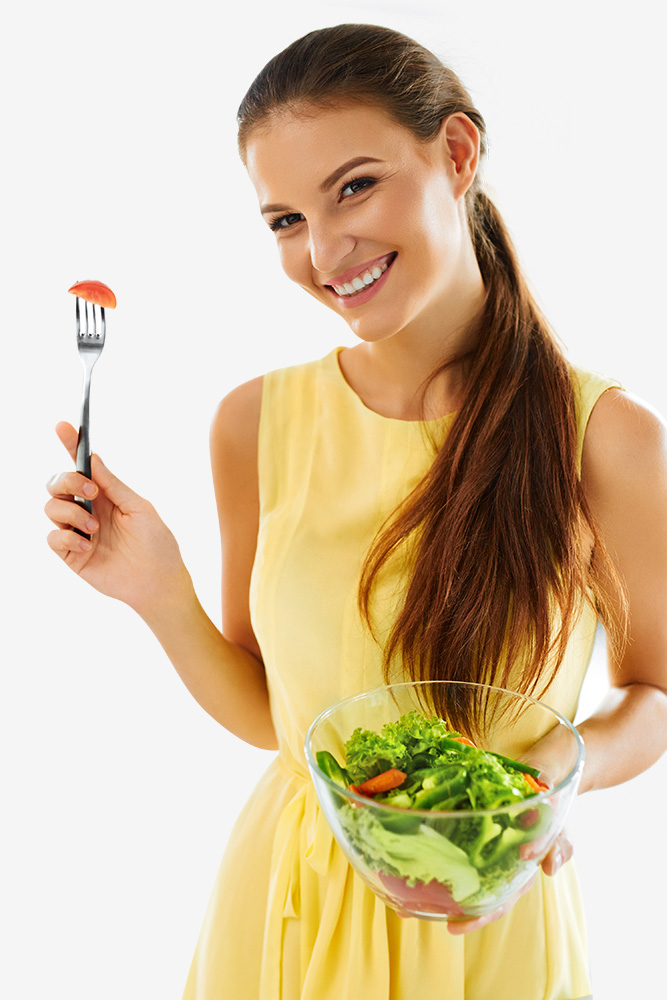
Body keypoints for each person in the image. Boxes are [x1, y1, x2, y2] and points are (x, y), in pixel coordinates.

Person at [45, 23, 667, 1000]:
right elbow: (275, 720)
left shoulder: (604, 434)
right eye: (285, 220)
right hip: (286, 909)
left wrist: (563, 765)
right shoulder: (254, 423)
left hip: (488, 915)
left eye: (354, 186)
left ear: (455, 155)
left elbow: (656, 692)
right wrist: (154, 588)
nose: (325, 250)